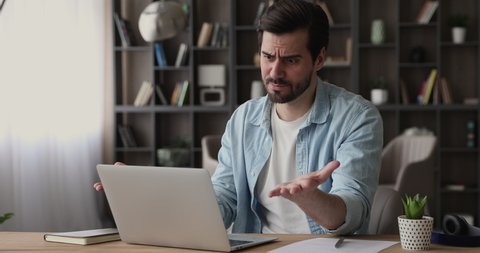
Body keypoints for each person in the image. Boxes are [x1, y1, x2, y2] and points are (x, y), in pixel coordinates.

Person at [95, 0, 383, 235]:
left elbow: (354, 210)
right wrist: (154, 196)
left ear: (319, 59)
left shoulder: (357, 118)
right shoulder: (244, 118)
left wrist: (312, 199)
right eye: (268, 57)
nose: (274, 72)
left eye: (291, 60)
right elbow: (223, 200)